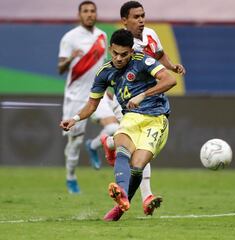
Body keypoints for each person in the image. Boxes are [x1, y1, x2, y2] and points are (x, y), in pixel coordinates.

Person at [59, 29, 177, 221]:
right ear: (110, 50)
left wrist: (143, 95)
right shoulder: (105, 72)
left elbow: (170, 79)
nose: (119, 58)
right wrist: (75, 119)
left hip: (156, 120)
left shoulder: (143, 61)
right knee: (123, 149)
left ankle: (120, 207)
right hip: (131, 117)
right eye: (115, 53)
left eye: (124, 54)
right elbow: (92, 104)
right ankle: (120, 190)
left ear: (131, 51)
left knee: (137, 167)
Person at [98, 0, 186, 215]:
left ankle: (108, 143)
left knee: (137, 148)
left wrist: (172, 65)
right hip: (128, 100)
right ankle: (145, 195)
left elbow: (159, 54)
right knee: (134, 146)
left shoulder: (151, 35)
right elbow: (110, 71)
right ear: (124, 21)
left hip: (149, 101)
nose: (141, 20)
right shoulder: (123, 46)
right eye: (136, 17)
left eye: (143, 15)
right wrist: (110, 92)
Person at [58, 1, 119, 193]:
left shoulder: (102, 35)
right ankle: (71, 178)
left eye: (92, 11)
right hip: (76, 96)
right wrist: (71, 58)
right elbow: (60, 68)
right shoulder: (70, 38)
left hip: (96, 94)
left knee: (114, 128)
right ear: (79, 15)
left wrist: (106, 86)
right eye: (85, 11)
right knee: (74, 142)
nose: (90, 14)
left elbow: (103, 65)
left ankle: (93, 146)